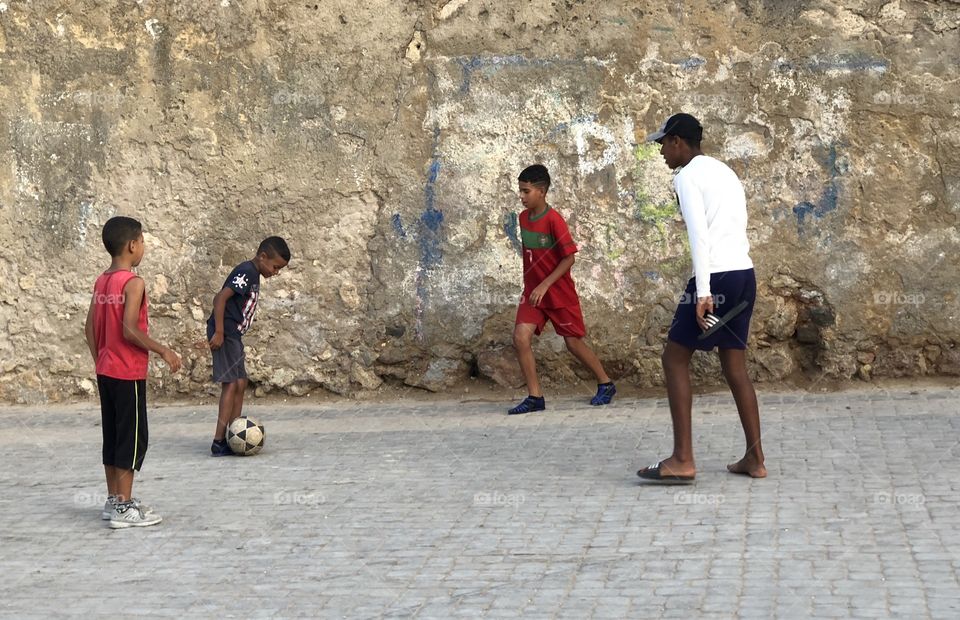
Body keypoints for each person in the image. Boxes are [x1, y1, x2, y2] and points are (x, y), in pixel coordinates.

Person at [637, 113, 766, 483]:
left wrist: (704, 292)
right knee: (734, 367)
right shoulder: (723, 171)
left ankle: (682, 459)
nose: (661, 151)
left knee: (674, 359)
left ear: (678, 141)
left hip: (717, 279)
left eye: (663, 143)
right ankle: (755, 459)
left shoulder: (688, 176)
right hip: (743, 273)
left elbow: (699, 237)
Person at [84, 216, 182, 528]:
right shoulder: (133, 282)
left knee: (113, 435)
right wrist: (162, 349)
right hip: (127, 373)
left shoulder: (102, 281)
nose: (143, 248)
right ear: (132, 245)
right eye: (142, 242)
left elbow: (89, 328)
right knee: (133, 439)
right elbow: (129, 329)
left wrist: (100, 357)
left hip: (106, 369)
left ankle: (114, 500)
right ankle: (124, 507)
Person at [508, 164, 616, 415]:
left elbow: (569, 258)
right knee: (520, 338)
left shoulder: (554, 220)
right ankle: (535, 397)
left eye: (526, 191)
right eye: (520, 191)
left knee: (573, 343)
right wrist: (533, 285)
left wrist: (546, 284)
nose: (521, 197)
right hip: (534, 294)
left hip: (558, 293)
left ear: (542, 191)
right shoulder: (523, 219)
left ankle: (605, 383)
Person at [208, 237, 290, 455]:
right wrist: (218, 332)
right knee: (231, 384)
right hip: (225, 332)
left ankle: (234, 432)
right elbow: (220, 299)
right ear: (262, 257)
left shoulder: (254, 273)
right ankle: (219, 441)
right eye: (275, 267)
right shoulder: (246, 272)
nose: (275, 272)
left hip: (233, 333)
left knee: (241, 382)